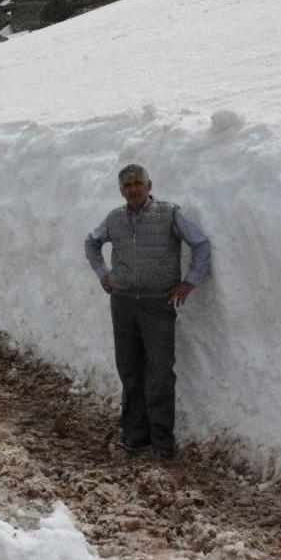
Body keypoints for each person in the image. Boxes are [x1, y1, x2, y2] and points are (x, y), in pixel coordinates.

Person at [84, 164, 211, 460]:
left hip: (158, 304)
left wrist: (189, 282)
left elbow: (201, 244)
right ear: (120, 190)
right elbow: (91, 243)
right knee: (129, 369)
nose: (133, 189)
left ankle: (162, 441)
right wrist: (103, 273)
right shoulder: (114, 218)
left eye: (138, 183)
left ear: (149, 185)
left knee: (160, 372)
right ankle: (134, 434)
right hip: (123, 303)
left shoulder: (169, 214)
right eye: (127, 186)